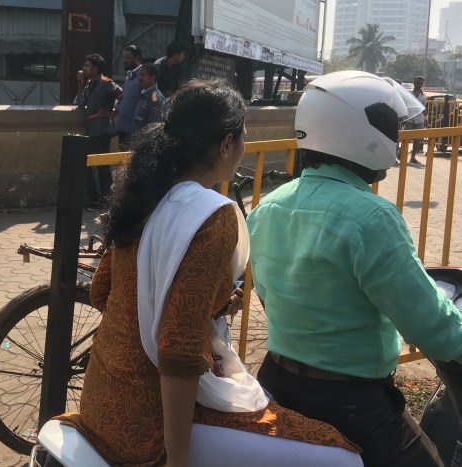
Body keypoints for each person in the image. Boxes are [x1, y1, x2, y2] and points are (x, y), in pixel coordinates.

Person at [53, 80, 362, 466]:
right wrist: (177, 460)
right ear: (227, 143)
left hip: (101, 401)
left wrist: (211, 305)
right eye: (244, 136)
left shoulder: (142, 196)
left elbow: (104, 293)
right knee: (340, 456)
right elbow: (178, 353)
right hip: (149, 423)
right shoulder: (211, 217)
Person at [247, 70, 462, 467]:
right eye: (390, 124)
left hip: (275, 384)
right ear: (360, 130)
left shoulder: (267, 207)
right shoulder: (372, 218)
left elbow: (266, 292)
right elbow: (429, 322)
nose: (396, 134)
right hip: (352, 403)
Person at [76, 53, 122, 211]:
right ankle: (96, 198)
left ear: (95, 68)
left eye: (87, 66)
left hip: (102, 129)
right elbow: (81, 103)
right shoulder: (89, 85)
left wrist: (112, 113)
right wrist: (80, 83)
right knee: (89, 164)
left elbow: (123, 97)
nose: (84, 68)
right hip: (92, 129)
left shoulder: (106, 83)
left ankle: (105, 200)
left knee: (102, 166)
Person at [115, 44, 143, 150]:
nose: (124, 61)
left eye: (128, 58)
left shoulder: (142, 77)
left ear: (137, 58)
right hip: (123, 127)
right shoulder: (128, 77)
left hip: (134, 130)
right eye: (124, 58)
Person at [132, 63, 165, 133]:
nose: (139, 78)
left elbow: (155, 129)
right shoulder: (144, 94)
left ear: (152, 78)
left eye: (143, 75)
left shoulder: (155, 99)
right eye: (139, 74)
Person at [405, 75, 427, 164]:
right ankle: (402, 154)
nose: (418, 85)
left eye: (420, 83)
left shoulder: (423, 95)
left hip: (419, 119)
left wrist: (426, 118)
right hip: (409, 118)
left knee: (417, 140)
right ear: (413, 82)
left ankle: (413, 157)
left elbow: (424, 108)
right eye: (417, 83)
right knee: (406, 138)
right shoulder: (408, 93)